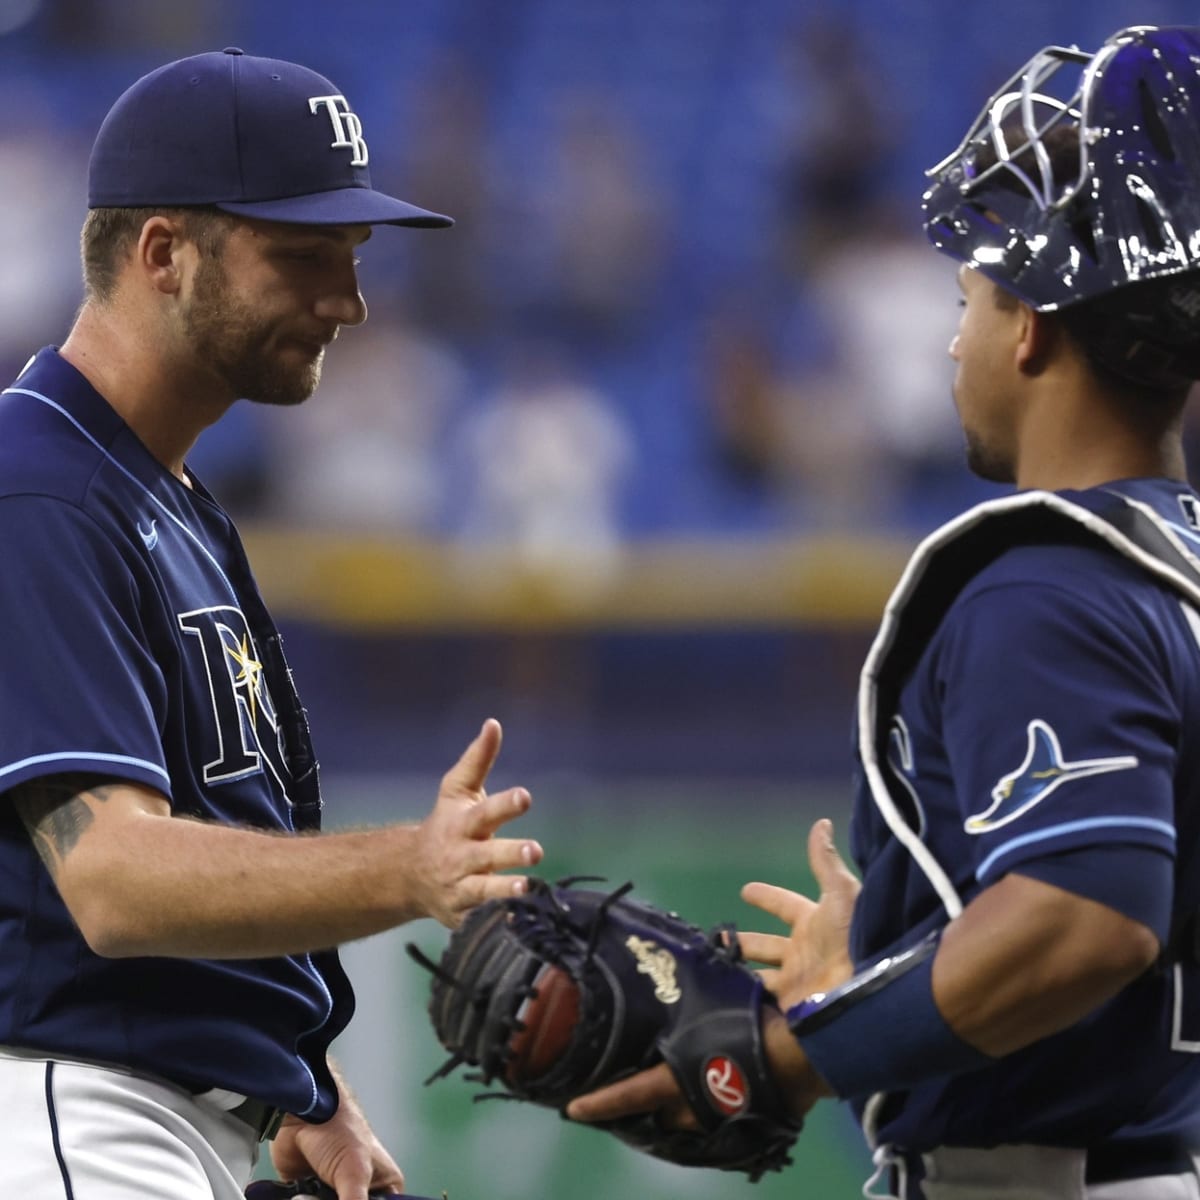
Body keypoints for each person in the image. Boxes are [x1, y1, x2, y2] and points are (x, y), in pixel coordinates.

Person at [569, 24, 1200, 1200]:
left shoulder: (1048, 580)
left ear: (1032, 327)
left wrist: (786, 1056)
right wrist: (904, 955)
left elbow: (1090, 917)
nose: (953, 336)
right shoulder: (1172, 566)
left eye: (968, 294)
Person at [0, 48, 544, 1200]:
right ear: (162, 254)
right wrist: (415, 865)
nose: (346, 302)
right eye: (303, 257)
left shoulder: (166, 496)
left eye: (350, 261)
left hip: (152, 1113)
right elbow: (115, 878)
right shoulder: (36, 489)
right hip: (68, 1111)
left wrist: (304, 1086)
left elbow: (205, 834)